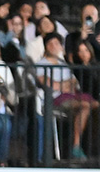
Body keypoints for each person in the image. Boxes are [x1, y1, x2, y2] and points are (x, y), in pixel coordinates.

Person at [36, 32, 98, 160]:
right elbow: (49, 85)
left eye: (56, 43)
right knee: (85, 105)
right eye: (50, 44)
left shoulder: (63, 63)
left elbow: (74, 82)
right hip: (55, 99)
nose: (54, 46)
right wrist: (63, 84)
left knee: (95, 106)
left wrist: (61, 84)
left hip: (72, 95)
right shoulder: (41, 64)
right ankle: (76, 146)